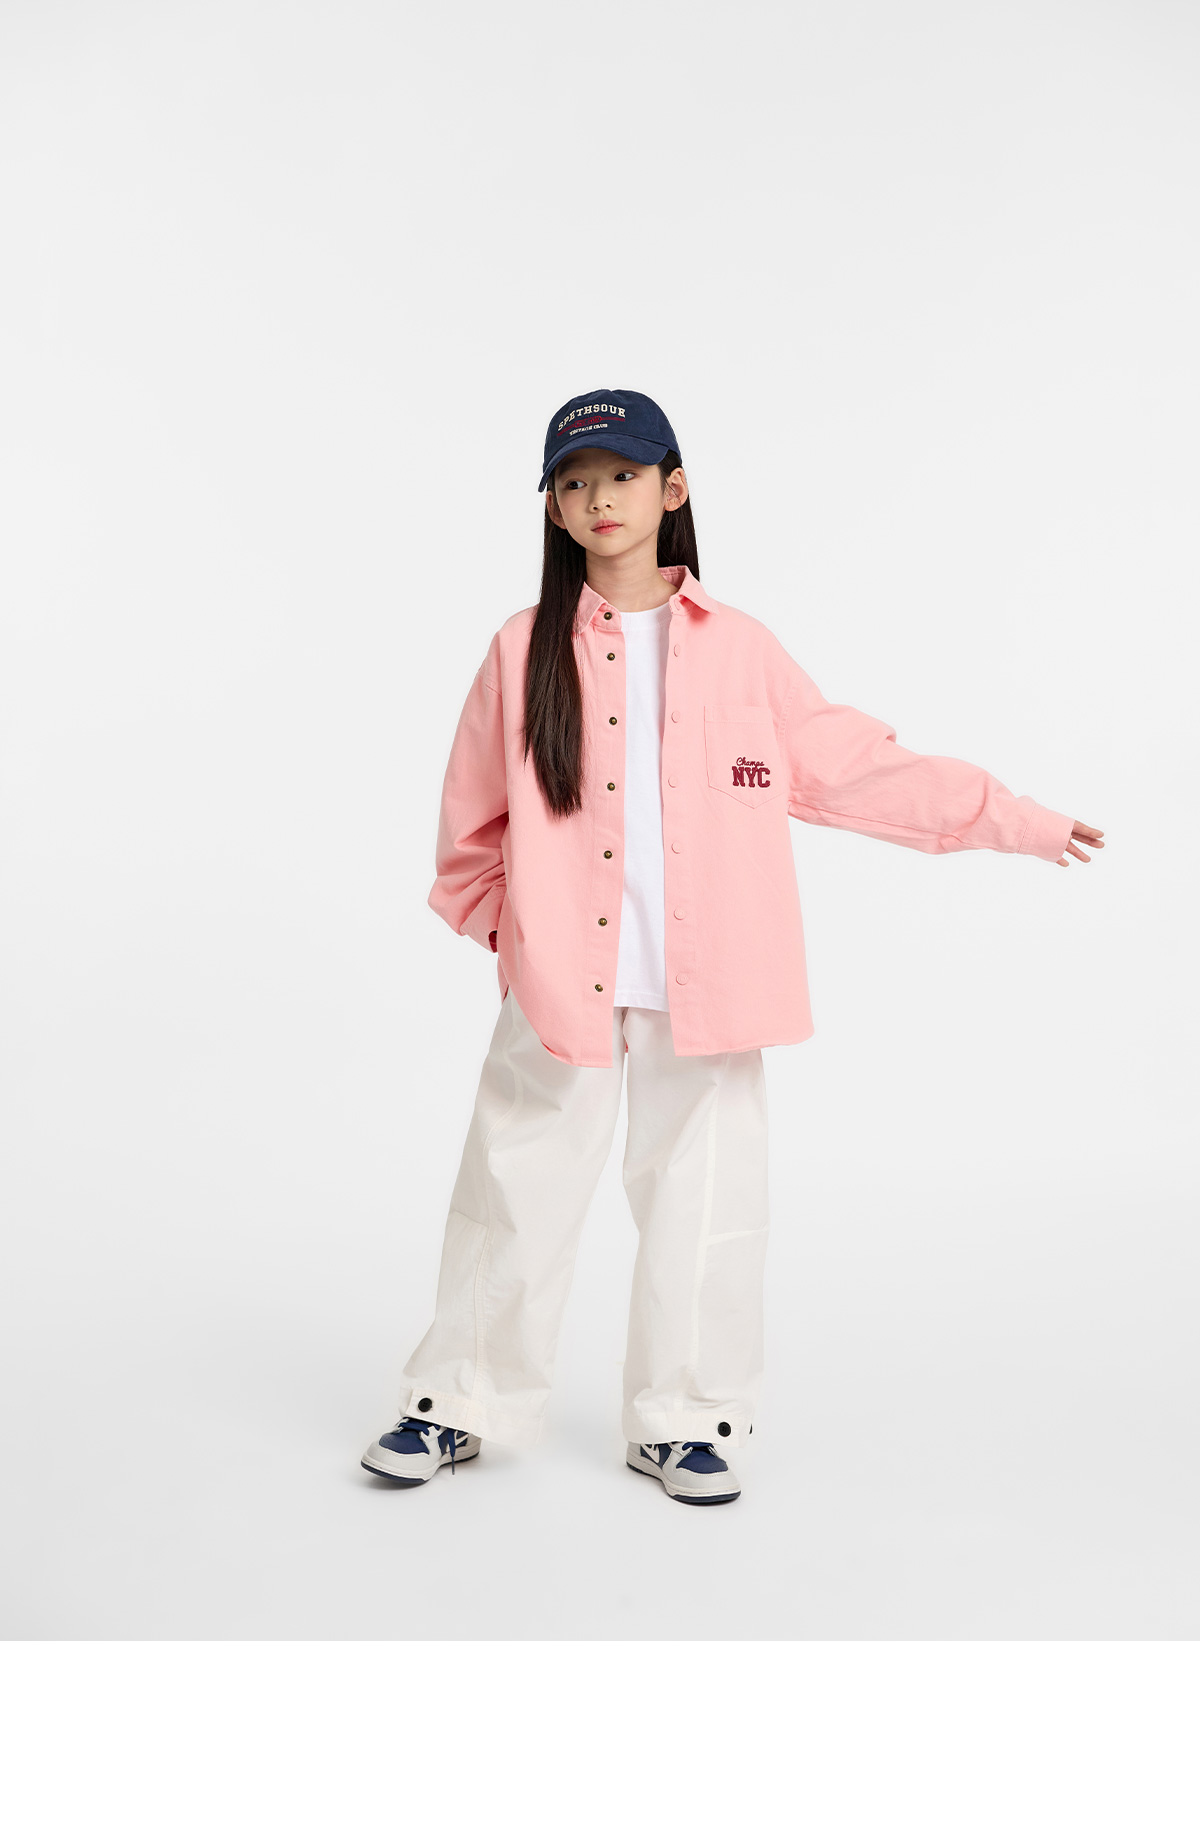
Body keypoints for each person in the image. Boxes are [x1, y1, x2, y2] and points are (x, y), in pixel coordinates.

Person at [360, 387, 1104, 1506]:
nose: (600, 499)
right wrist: (516, 944)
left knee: (706, 1208)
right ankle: (456, 1401)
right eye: (575, 482)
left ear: (674, 488)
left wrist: (1017, 819)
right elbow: (469, 831)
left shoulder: (742, 651)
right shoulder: (522, 650)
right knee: (512, 1189)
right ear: (553, 509)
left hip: (711, 989)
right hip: (558, 989)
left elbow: (857, 767)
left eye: (622, 475)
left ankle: (686, 1420)